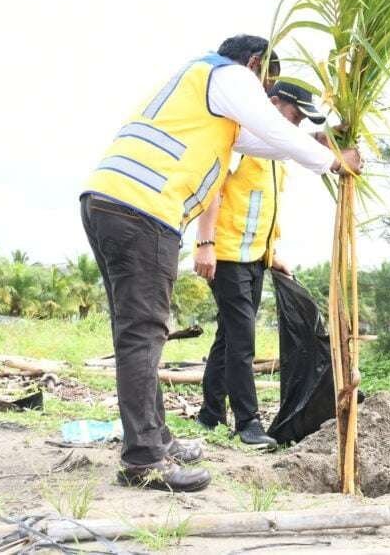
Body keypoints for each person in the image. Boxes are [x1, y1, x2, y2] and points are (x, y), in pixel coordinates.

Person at [80, 35, 361, 492]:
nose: (266, 95)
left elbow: (264, 141)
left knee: (137, 333)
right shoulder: (228, 75)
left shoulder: (205, 90)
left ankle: (156, 440)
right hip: (142, 210)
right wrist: (333, 163)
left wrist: (316, 143)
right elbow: (272, 129)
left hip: (113, 202)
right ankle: (143, 460)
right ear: (255, 64)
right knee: (142, 336)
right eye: (266, 82)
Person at [191, 81, 327, 449]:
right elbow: (213, 190)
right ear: (272, 103)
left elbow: (265, 207)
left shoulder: (274, 152)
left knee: (229, 336)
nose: (295, 125)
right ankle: (247, 423)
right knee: (242, 340)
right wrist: (205, 244)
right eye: (293, 115)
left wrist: (272, 253)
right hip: (227, 253)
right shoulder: (241, 136)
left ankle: (210, 413)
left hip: (254, 257)